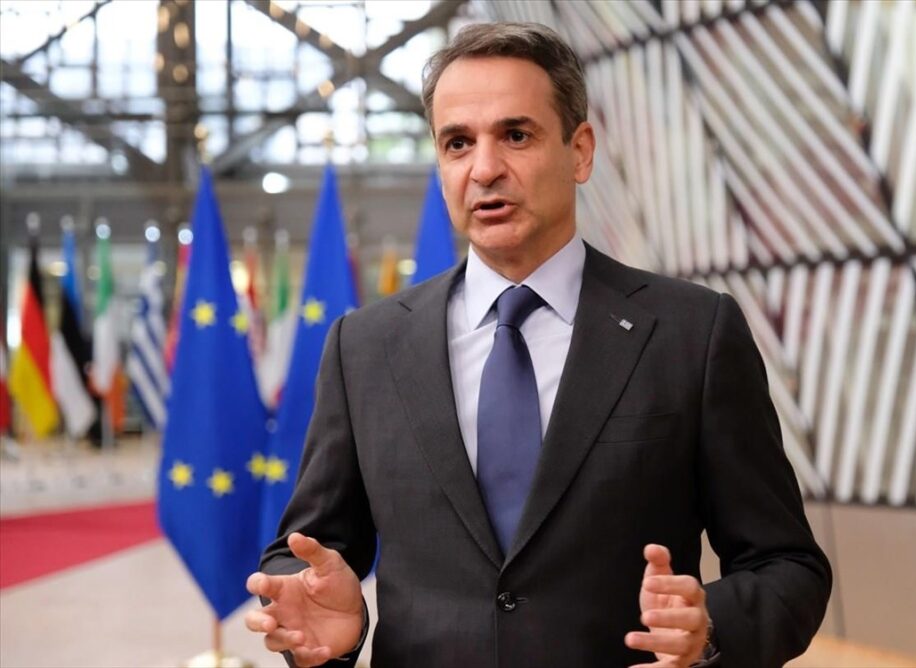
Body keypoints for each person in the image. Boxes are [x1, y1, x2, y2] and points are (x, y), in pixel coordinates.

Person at [245, 22, 831, 668]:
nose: (484, 169)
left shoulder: (693, 333)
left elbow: (788, 567)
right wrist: (330, 626)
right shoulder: (365, 347)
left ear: (580, 152)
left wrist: (710, 627)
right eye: (458, 143)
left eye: (516, 136)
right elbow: (303, 553)